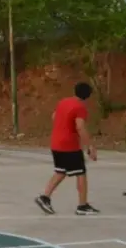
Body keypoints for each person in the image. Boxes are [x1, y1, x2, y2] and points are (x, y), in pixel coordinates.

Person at [35, 82, 100, 216]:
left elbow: (54, 116)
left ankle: (44, 197)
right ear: (88, 96)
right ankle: (82, 205)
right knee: (81, 173)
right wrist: (90, 146)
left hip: (56, 142)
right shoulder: (80, 107)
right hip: (69, 145)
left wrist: (62, 127)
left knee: (61, 171)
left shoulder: (63, 102)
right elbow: (80, 126)